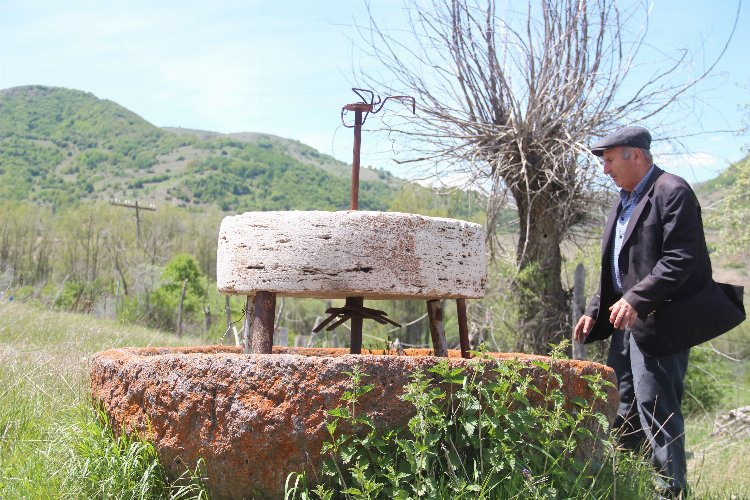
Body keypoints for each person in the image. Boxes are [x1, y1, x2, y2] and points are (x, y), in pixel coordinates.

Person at [573, 126, 745, 498]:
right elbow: (617, 269)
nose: (605, 170)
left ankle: (670, 492)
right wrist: (594, 310)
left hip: (659, 324)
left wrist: (636, 300)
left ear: (636, 155)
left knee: (658, 411)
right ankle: (624, 488)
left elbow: (681, 259)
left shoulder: (672, 191)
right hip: (623, 325)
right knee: (621, 410)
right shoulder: (623, 200)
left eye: (609, 160)